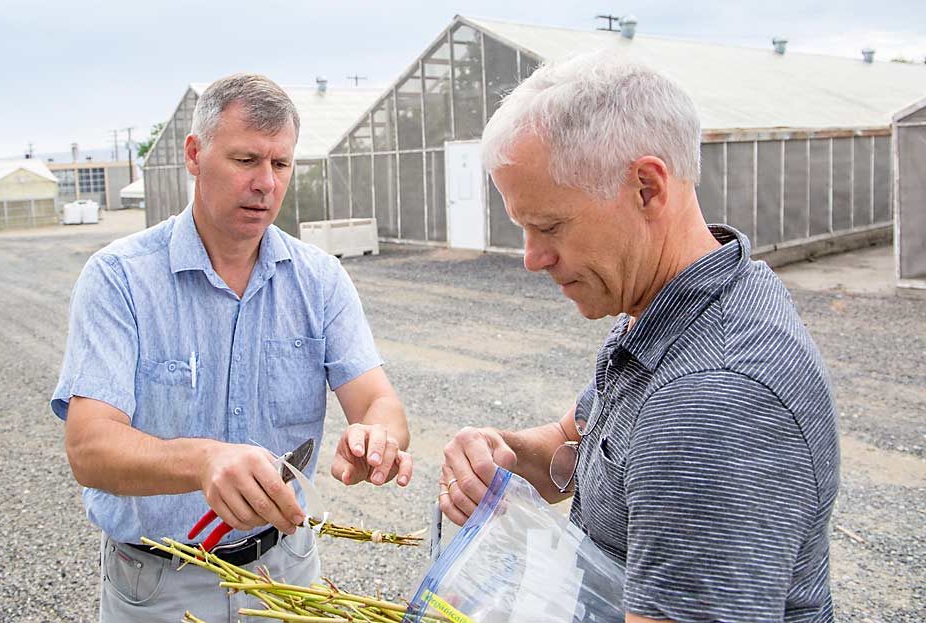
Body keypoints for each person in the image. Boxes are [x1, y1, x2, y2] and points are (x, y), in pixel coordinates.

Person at [438, 56, 839, 623]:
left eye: (549, 226)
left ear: (646, 188)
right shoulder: (680, 307)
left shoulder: (711, 401)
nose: (532, 259)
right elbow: (581, 445)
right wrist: (503, 455)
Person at [51, 73, 413, 622]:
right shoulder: (119, 279)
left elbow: (378, 402)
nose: (266, 183)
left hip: (286, 574)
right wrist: (203, 460)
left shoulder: (318, 279)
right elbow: (89, 448)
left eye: (281, 164)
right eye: (246, 160)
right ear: (194, 155)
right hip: (159, 584)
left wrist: (376, 437)